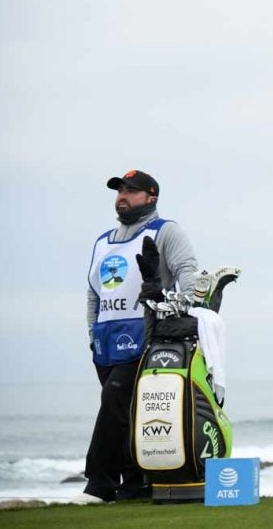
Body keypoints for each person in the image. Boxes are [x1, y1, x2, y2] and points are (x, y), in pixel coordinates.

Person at [73, 169, 197, 504]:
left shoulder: (165, 231)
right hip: (105, 340)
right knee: (127, 414)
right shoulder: (102, 241)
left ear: (151, 196)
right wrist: (91, 331)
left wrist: (183, 305)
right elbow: (93, 293)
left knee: (114, 403)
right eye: (119, 191)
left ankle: (98, 484)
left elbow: (188, 272)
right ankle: (135, 484)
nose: (122, 197)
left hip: (146, 335)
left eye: (131, 191)